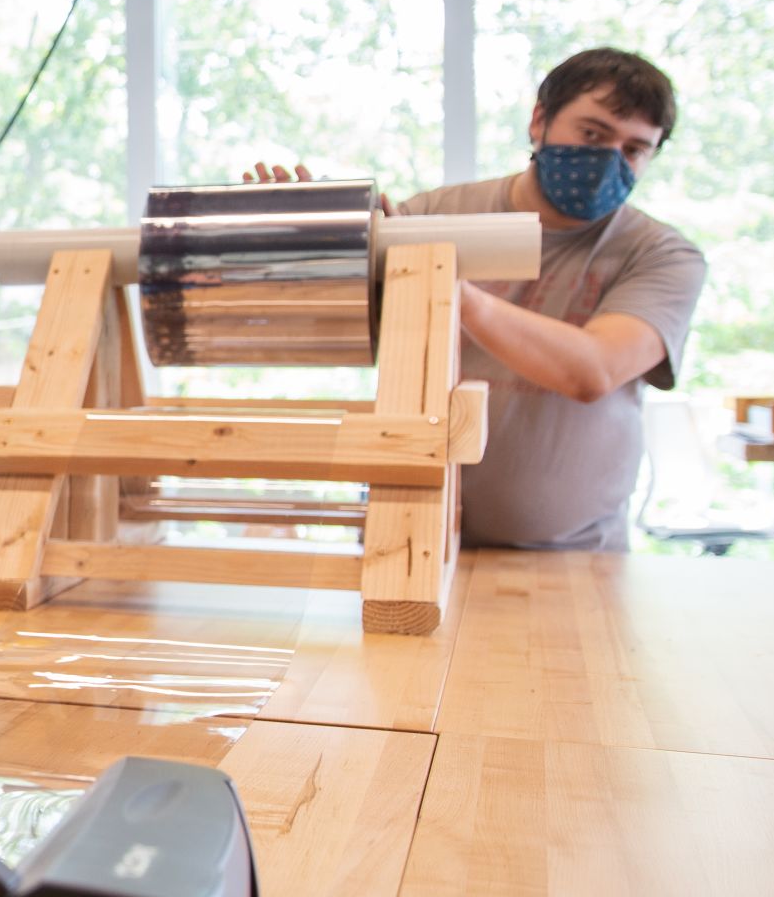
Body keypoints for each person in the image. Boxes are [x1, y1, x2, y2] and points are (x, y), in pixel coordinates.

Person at [247, 47, 705, 551]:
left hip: (573, 560)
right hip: (407, 546)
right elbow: (317, 321)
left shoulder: (661, 255)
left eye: (634, 149)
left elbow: (591, 371)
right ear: (540, 120)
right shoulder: (435, 216)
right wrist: (303, 237)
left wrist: (448, 283)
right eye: (592, 134)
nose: (608, 161)